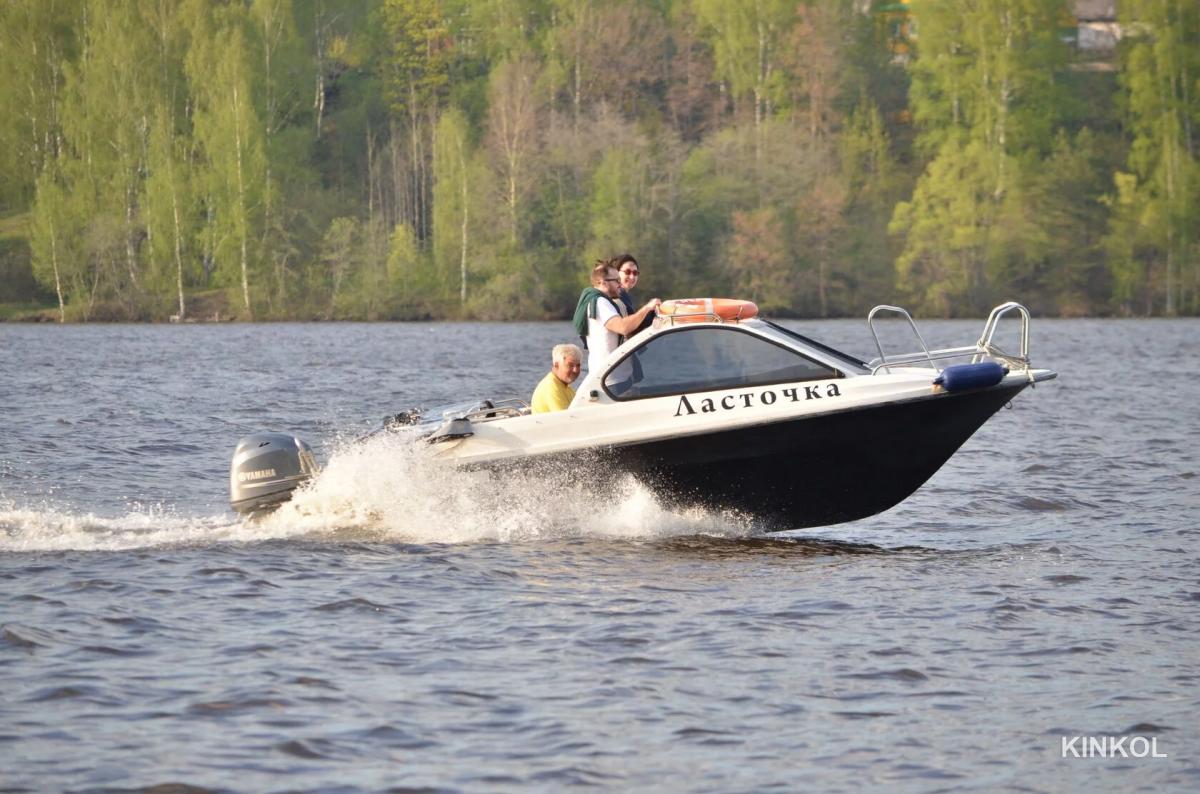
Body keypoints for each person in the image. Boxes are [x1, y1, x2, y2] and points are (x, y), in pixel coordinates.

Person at [574, 261, 659, 377]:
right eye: (616, 280)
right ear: (602, 282)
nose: (620, 284)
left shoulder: (605, 302)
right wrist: (647, 308)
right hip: (609, 378)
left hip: (616, 375)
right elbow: (623, 327)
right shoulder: (600, 303)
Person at [531, 343, 583, 413]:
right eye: (570, 365)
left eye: (578, 365)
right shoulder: (551, 387)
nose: (575, 370)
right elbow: (565, 419)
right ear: (556, 365)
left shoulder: (566, 387)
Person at [615, 254, 654, 335]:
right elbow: (632, 328)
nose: (632, 277)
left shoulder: (625, 295)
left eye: (635, 273)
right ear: (616, 273)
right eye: (627, 272)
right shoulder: (619, 295)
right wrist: (650, 310)